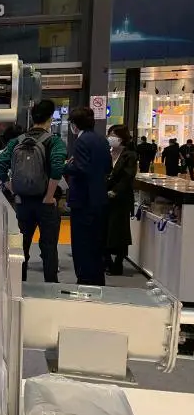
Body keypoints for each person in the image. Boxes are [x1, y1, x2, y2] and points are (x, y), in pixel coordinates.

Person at [0, 100, 67, 283]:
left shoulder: (16, 141)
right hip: (45, 203)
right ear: (50, 119)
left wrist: (14, 190)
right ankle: (51, 286)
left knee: (21, 245)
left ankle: (20, 284)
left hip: (23, 202)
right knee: (49, 246)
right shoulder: (54, 142)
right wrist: (49, 196)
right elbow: (57, 168)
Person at [64, 107, 112, 286]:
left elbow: (81, 169)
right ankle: (97, 280)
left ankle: (85, 280)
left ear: (75, 124)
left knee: (82, 243)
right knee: (96, 244)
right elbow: (108, 167)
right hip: (99, 198)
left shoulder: (81, 141)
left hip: (83, 200)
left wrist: (66, 166)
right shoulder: (101, 140)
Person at [105, 125, 138, 276]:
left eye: (113, 135)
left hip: (121, 199)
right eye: (109, 134)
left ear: (122, 138)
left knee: (120, 232)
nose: (110, 137)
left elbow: (128, 177)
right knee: (105, 230)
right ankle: (107, 261)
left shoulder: (129, 155)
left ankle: (118, 263)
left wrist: (115, 191)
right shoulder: (107, 153)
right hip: (105, 197)